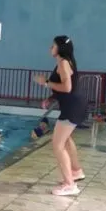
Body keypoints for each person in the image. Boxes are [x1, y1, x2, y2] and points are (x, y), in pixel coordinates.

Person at [34, 35, 87, 196]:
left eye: (53, 45)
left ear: (60, 48)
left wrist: (45, 82)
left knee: (57, 144)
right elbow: (64, 87)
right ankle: (76, 171)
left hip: (72, 107)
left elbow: (67, 88)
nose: (51, 48)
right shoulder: (65, 62)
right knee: (66, 139)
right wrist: (51, 98)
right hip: (75, 105)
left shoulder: (63, 63)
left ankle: (70, 185)